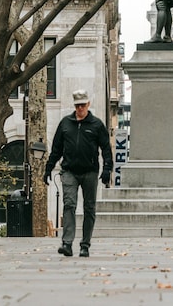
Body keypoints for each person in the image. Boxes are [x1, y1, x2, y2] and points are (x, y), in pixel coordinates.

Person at [44, 89, 113, 257]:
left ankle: (85, 245)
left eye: (83, 105)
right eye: (77, 105)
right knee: (69, 204)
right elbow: (56, 148)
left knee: (89, 208)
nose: (80, 108)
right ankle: (67, 243)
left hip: (90, 172)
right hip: (69, 171)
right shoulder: (65, 123)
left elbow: (106, 149)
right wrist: (49, 167)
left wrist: (107, 170)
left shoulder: (97, 125)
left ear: (88, 104)